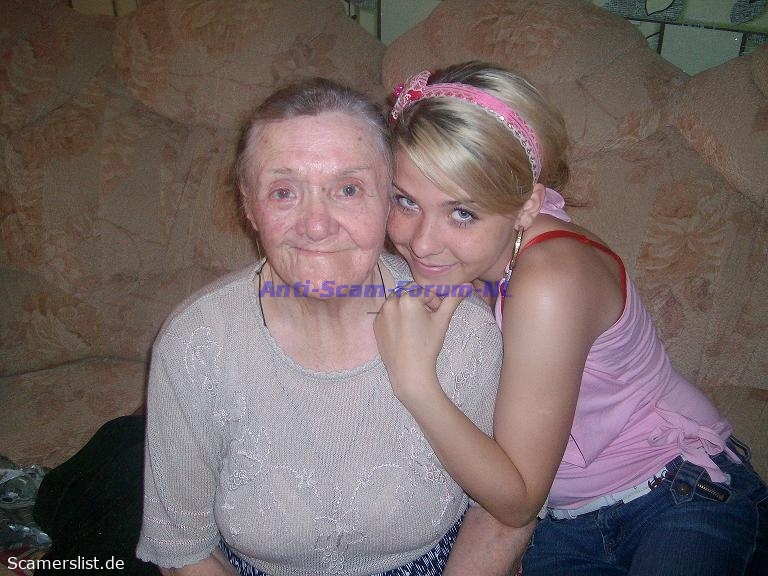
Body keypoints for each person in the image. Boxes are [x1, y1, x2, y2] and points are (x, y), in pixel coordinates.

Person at [375, 61, 768, 576]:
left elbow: (517, 499)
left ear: (526, 206)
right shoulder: (477, 256)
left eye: (462, 212)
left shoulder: (551, 281)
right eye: (406, 201)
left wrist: (414, 382)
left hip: (678, 491)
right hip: (568, 522)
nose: (422, 242)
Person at [136, 77, 534, 576]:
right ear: (249, 206)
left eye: (348, 189)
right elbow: (185, 551)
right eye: (284, 192)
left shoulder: (463, 332)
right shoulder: (196, 345)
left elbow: (501, 518)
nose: (317, 225)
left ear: (389, 200)